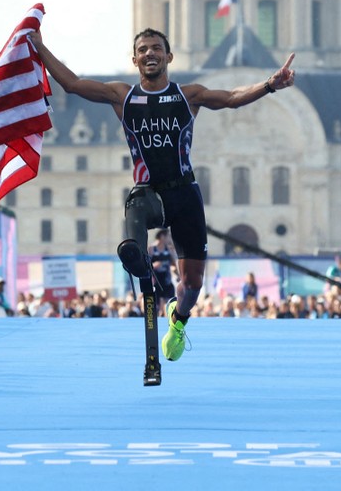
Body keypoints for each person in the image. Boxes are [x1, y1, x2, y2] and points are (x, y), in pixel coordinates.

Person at [29, 27, 295, 362]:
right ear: (135, 60)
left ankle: (178, 319)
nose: (149, 53)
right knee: (134, 221)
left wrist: (270, 84)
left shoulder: (188, 96)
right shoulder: (122, 96)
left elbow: (230, 98)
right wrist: (40, 47)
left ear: (168, 57)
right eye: (143, 49)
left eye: (156, 48)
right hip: (147, 194)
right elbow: (72, 84)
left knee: (193, 285)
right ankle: (138, 261)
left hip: (184, 194)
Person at [148, 229, 176, 315]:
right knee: (156, 303)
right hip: (156, 280)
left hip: (166, 279)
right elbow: (146, 265)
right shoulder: (151, 249)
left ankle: (168, 316)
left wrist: (176, 273)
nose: (169, 238)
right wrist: (154, 265)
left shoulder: (169, 249)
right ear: (162, 236)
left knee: (169, 301)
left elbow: (173, 264)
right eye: (168, 236)